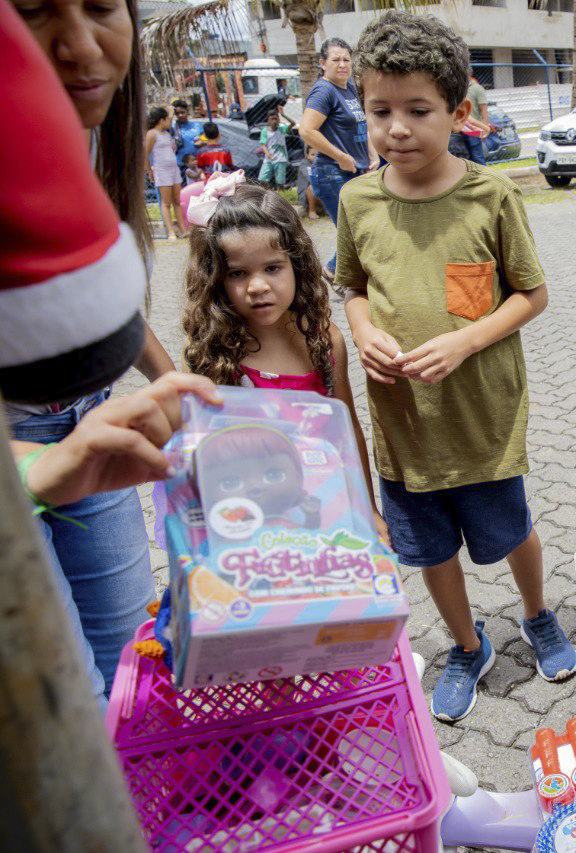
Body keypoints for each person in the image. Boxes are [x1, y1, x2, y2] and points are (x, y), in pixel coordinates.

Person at [338, 12, 576, 722]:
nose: (398, 129)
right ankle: (468, 645)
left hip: (481, 418)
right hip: (405, 426)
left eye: (418, 110)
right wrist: (360, 332)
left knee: (511, 529)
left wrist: (465, 342)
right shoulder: (356, 200)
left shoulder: (490, 195)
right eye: (380, 111)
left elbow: (531, 294)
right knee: (429, 546)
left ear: (459, 111)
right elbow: (350, 287)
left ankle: (537, 613)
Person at [11, 0, 181, 708]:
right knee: (67, 701)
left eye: (102, 7)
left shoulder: (90, 132)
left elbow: (98, 313)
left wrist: (181, 382)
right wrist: (33, 470)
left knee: (131, 675)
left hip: (88, 426)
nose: (81, 46)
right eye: (32, 11)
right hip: (24, 450)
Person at [180, 178, 386, 540]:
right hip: (244, 524)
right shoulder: (207, 355)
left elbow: (347, 432)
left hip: (325, 512)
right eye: (238, 273)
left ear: (297, 265)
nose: (257, 286)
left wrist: (366, 509)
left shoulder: (323, 340)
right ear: (215, 279)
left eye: (272, 268)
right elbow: (198, 453)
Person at [299, 36, 376, 273]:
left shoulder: (349, 88)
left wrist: (372, 155)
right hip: (332, 173)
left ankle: (342, 273)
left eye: (346, 59)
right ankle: (334, 270)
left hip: (354, 172)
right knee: (355, 231)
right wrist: (341, 156)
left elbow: (364, 124)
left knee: (364, 227)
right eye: (336, 60)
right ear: (323, 63)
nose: (342, 64)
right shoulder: (324, 91)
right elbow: (306, 130)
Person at [145, 106, 185, 240]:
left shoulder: (167, 134)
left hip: (173, 169)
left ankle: (182, 229)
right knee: (166, 202)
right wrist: (149, 171)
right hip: (162, 171)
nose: (169, 121)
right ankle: (170, 232)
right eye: (167, 119)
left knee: (177, 201)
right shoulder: (152, 134)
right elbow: (146, 153)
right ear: (162, 120)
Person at [450, 74, 489, 165]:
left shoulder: (454, 91)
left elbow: (483, 110)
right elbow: (471, 119)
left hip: (460, 132)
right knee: (477, 158)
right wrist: (486, 128)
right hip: (469, 129)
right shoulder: (462, 92)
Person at [256, 110, 289, 189]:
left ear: (278, 119)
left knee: (280, 181)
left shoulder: (282, 129)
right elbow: (263, 145)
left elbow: (293, 124)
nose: (274, 121)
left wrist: (283, 115)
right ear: (268, 120)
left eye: (276, 118)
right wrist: (268, 154)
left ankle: (281, 195)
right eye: (272, 119)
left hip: (281, 158)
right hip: (269, 159)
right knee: (262, 179)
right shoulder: (265, 131)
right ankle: (266, 193)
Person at [171, 98, 204, 165]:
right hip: (180, 164)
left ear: (187, 112)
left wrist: (202, 142)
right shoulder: (173, 127)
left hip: (196, 163)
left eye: (182, 112)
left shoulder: (197, 126)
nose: (180, 115)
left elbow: (205, 140)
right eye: (177, 113)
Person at [296, 146, 321, 219]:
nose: (315, 157)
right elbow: (312, 179)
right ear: (307, 155)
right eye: (312, 155)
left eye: (317, 155)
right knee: (312, 187)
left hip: (321, 193)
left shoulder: (323, 163)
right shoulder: (304, 165)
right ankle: (311, 211)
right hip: (308, 196)